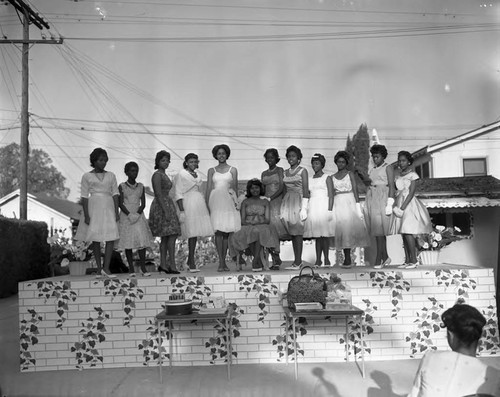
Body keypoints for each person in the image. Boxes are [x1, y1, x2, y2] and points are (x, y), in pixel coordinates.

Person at [407, 304, 500, 397]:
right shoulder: (494, 375)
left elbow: (414, 394)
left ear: (451, 335)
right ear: (479, 336)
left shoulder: (431, 358)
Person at [75, 148, 119, 278]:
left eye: (105, 160)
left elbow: (116, 194)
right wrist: (87, 215)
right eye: (100, 160)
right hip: (94, 206)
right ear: (94, 161)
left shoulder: (111, 175)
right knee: (95, 238)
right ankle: (99, 269)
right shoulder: (87, 176)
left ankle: (106, 268)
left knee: (110, 236)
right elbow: (84, 196)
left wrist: (117, 211)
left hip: (108, 205)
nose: (103, 162)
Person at [389, 151, 432, 269]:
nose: (401, 163)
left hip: (408, 204)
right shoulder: (398, 175)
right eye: (399, 160)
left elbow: (411, 192)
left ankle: (414, 260)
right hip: (399, 201)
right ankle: (407, 260)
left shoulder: (413, 174)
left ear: (408, 162)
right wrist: (394, 205)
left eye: (403, 160)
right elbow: (395, 191)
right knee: (403, 232)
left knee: (408, 231)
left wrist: (402, 208)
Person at [356, 144, 395, 269]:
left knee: (380, 230)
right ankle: (385, 257)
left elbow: (391, 185)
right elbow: (371, 182)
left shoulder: (388, 167)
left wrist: (390, 202)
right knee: (378, 231)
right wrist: (362, 176)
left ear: (383, 156)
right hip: (372, 197)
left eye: (377, 156)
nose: (375, 159)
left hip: (382, 198)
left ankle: (380, 257)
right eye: (373, 156)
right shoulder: (373, 169)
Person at [174, 153, 214, 273]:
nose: (193, 164)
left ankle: (191, 260)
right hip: (188, 202)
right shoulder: (182, 174)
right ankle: (188, 261)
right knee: (190, 232)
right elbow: (178, 192)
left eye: (195, 162)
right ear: (186, 162)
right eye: (191, 162)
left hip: (198, 202)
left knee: (195, 233)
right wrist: (181, 210)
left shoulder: (197, 175)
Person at [230, 179, 280, 272]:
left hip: (263, 225)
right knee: (251, 231)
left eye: (256, 188)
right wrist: (250, 223)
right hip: (248, 225)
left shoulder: (265, 202)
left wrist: (257, 223)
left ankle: (256, 260)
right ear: (249, 190)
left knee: (258, 231)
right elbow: (243, 220)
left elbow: (267, 219)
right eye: (252, 188)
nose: (255, 190)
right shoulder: (245, 202)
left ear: (260, 188)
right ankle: (258, 260)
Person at [206, 144, 241, 272]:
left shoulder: (233, 169)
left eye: (223, 153)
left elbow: (235, 188)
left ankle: (224, 261)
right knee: (218, 232)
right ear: (215, 155)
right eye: (219, 153)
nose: (221, 155)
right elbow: (209, 188)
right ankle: (220, 261)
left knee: (226, 232)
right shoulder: (211, 170)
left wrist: (237, 203)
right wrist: (206, 205)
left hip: (228, 200)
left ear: (227, 155)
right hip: (215, 201)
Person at [331, 151, 370, 268]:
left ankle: (348, 258)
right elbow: (332, 194)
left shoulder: (350, 174)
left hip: (349, 202)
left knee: (348, 230)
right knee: (340, 230)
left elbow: (355, 190)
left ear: (346, 163)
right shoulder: (332, 177)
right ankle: (342, 257)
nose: (340, 164)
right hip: (337, 203)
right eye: (338, 162)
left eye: (343, 162)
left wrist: (358, 207)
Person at [116, 161, 154, 277]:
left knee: (141, 240)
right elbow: (120, 203)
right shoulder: (122, 186)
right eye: (132, 171)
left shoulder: (141, 186)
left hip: (138, 215)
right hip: (126, 215)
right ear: (127, 172)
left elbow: (143, 203)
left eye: (136, 170)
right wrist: (129, 214)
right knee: (128, 241)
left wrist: (137, 213)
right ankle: (131, 268)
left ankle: (143, 268)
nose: (134, 173)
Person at [149, 150, 181, 274]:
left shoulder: (164, 174)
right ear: (157, 161)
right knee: (170, 235)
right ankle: (170, 264)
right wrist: (165, 210)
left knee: (168, 237)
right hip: (162, 205)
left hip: (167, 203)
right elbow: (157, 193)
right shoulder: (157, 175)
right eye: (163, 160)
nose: (166, 162)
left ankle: (165, 264)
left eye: (167, 160)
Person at [280, 145, 309, 270]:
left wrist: (304, 208)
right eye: (289, 156)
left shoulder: (303, 171)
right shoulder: (285, 172)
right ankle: (296, 261)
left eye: (293, 156)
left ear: (299, 158)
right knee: (292, 232)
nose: (291, 158)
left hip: (298, 200)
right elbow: (284, 189)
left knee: (298, 232)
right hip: (288, 201)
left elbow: (306, 190)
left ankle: (298, 261)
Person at [304, 153, 335, 267]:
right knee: (317, 236)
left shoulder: (327, 177)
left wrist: (330, 210)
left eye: (317, 163)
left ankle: (326, 259)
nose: (314, 166)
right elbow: (307, 194)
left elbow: (331, 195)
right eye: (313, 163)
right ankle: (318, 259)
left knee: (324, 235)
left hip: (323, 206)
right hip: (313, 206)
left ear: (322, 165)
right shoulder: (309, 179)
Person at [261, 148, 287, 270]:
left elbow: (282, 186)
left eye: (272, 157)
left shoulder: (280, 170)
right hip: (266, 203)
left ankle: (277, 256)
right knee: (267, 230)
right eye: (268, 157)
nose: (270, 159)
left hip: (277, 201)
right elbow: (262, 189)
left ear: (276, 158)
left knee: (276, 229)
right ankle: (274, 257)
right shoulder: (264, 173)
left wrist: (272, 198)